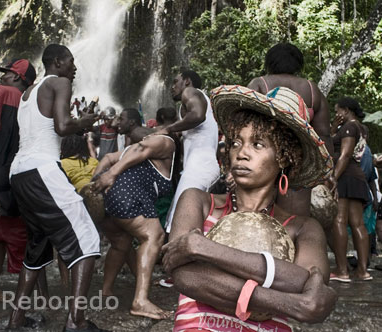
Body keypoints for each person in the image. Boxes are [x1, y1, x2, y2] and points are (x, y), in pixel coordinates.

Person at [162, 85, 337, 331]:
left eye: (257, 144)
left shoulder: (304, 229)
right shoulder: (198, 202)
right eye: (235, 142)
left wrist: (203, 248)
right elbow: (183, 275)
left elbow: (307, 286)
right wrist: (286, 302)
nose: (241, 153)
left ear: (284, 157)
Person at [6, 44, 107, 332]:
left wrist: (78, 121)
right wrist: (84, 123)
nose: (74, 69)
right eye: (71, 62)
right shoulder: (61, 83)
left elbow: (46, 125)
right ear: (58, 62)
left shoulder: (28, 93)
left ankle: (16, 319)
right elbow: (62, 126)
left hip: (20, 173)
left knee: (37, 246)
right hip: (42, 169)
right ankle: (76, 321)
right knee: (87, 239)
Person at [93, 108, 178, 320]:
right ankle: (140, 301)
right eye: (148, 132)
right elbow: (142, 147)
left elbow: (110, 158)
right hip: (126, 197)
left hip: (111, 199)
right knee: (153, 236)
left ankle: (106, 290)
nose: (149, 134)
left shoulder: (132, 153)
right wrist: (108, 176)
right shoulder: (165, 142)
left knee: (121, 242)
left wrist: (97, 182)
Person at [248, 42, 334, 217]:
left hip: (263, 157)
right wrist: (326, 170)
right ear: (298, 64)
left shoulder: (260, 83)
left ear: (270, 63)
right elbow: (324, 134)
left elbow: (245, 124)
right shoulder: (312, 90)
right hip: (298, 161)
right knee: (294, 221)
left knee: (256, 218)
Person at [0, 59, 37, 300]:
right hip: (19, 180)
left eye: (6, 73)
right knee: (8, 237)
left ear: (17, 77)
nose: (2, 77)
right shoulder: (34, 103)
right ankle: (27, 297)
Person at [157, 69, 219, 233]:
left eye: (175, 81)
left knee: (180, 222)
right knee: (185, 220)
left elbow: (198, 115)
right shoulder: (187, 107)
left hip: (200, 167)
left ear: (187, 81)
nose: (172, 87)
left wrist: (168, 129)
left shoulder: (190, 92)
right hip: (200, 167)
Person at [329, 97, 372, 282]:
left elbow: (345, 155)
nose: (337, 114)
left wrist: (333, 178)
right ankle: (363, 271)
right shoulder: (362, 128)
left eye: (338, 110)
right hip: (358, 177)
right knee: (358, 224)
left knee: (339, 220)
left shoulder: (348, 127)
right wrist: (333, 129)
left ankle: (342, 271)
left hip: (345, 176)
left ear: (346, 110)